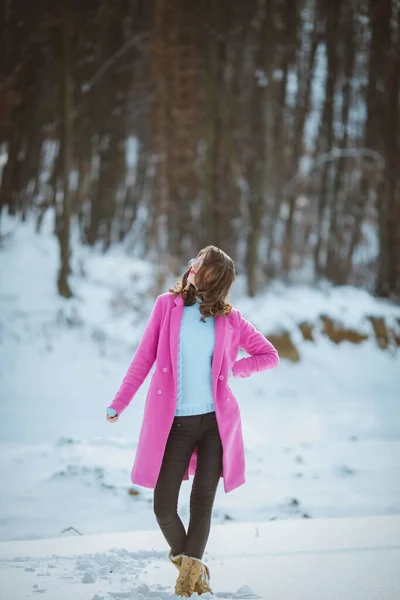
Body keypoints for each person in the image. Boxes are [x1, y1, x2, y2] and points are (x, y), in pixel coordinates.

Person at [106, 245, 279, 597]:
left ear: (214, 278)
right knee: (164, 507)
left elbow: (268, 355)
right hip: (178, 425)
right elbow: (143, 360)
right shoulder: (166, 308)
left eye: (200, 264)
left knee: (202, 504)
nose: (192, 266)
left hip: (216, 426)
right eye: (195, 261)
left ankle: (188, 586)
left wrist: (237, 368)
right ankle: (192, 564)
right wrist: (119, 402)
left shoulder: (230, 319)